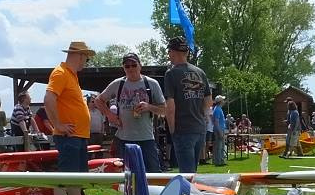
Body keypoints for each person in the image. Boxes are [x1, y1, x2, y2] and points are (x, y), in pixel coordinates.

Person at [46, 40, 95, 195]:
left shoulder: (71, 75)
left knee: (74, 177)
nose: (86, 62)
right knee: (64, 177)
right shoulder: (60, 73)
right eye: (86, 58)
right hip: (69, 136)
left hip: (78, 136)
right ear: (79, 55)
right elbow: (48, 98)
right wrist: (58, 124)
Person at [95, 51, 166, 172]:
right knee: (127, 175)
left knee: (153, 173)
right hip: (123, 138)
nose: (131, 68)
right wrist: (110, 115)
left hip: (146, 138)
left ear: (140, 65)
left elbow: (164, 109)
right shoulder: (118, 84)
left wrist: (148, 107)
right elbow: (98, 100)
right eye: (127, 66)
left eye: (134, 65)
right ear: (123, 68)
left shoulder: (151, 84)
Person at [163, 36, 211, 172]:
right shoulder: (200, 72)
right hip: (199, 128)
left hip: (182, 129)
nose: (169, 55)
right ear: (187, 52)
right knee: (192, 172)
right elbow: (208, 101)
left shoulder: (171, 73)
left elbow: (170, 106)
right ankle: (193, 193)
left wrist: (172, 130)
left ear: (172, 52)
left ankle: (189, 194)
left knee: (187, 175)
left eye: (169, 52)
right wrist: (200, 116)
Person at [212, 95, 228, 167]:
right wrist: (220, 132)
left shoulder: (218, 109)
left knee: (221, 146)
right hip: (219, 129)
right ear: (220, 102)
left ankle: (221, 160)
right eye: (223, 100)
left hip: (221, 129)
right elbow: (216, 122)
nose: (224, 101)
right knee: (219, 146)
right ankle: (218, 161)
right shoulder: (217, 109)